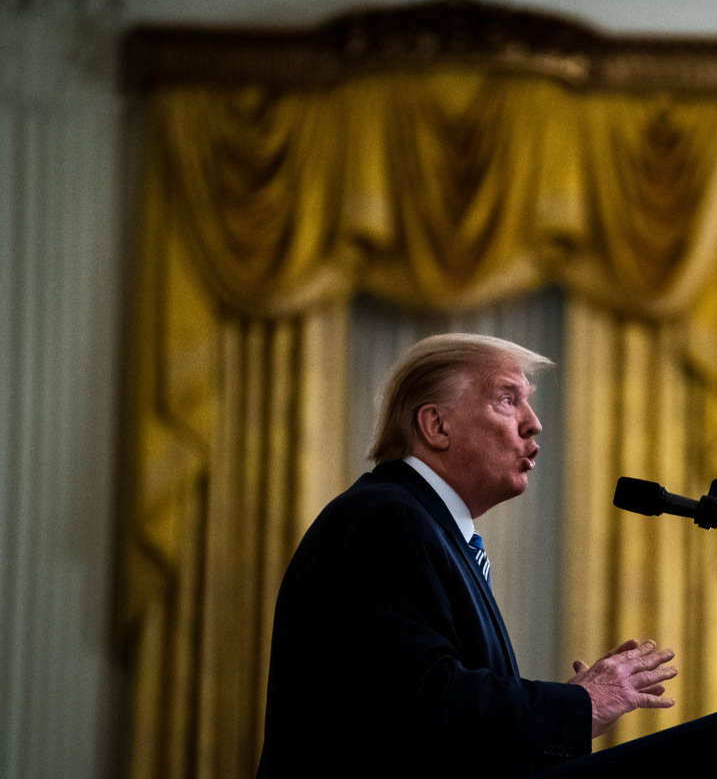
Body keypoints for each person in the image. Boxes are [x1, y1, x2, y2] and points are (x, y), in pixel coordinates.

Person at [257, 333, 678, 777]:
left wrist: (559, 716)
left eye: (527, 401)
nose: (533, 423)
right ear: (436, 426)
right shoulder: (386, 520)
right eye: (507, 399)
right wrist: (575, 706)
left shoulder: (428, 527)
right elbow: (424, 702)